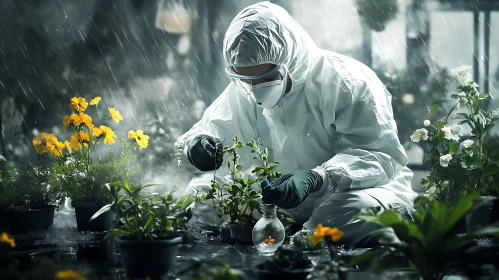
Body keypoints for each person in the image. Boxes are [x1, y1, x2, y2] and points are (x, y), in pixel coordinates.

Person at [174, 1, 418, 244]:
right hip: (282, 201)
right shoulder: (244, 88)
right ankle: (293, 237)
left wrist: (319, 177)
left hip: (356, 192)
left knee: (348, 213)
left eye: (266, 78)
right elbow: (215, 132)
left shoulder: (347, 82)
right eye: (244, 78)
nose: (254, 90)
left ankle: (300, 242)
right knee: (200, 195)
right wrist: (195, 148)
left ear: (289, 59)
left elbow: (380, 156)